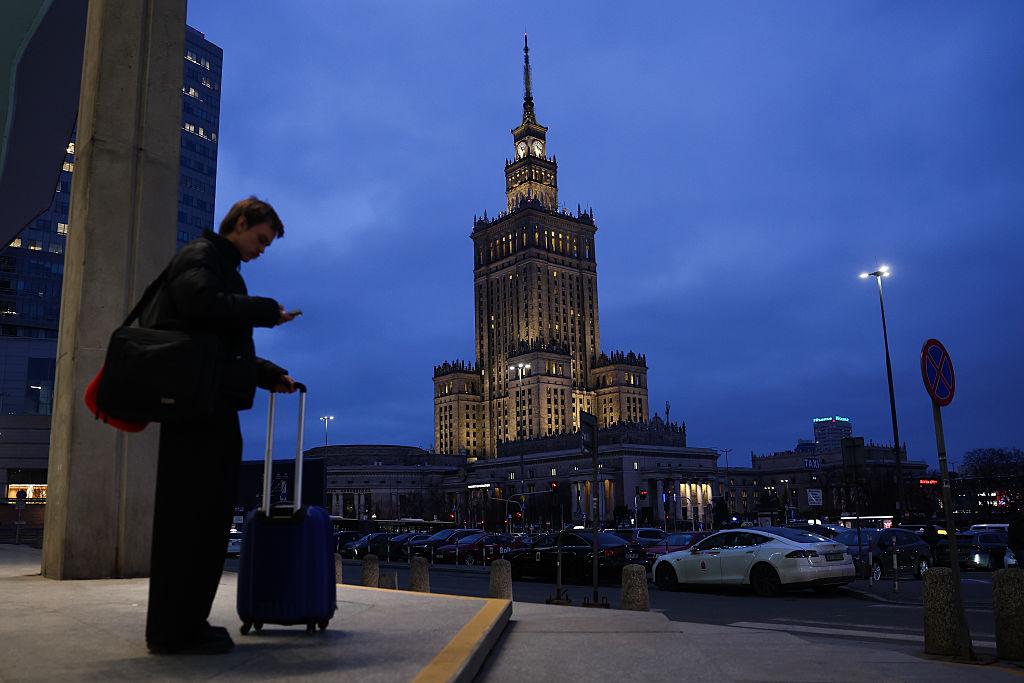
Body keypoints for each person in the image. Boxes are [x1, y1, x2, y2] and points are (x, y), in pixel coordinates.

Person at [142, 197, 299, 655]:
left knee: (204, 524)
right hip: (197, 413)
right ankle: (175, 630)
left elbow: (221, 347)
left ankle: (186, 622)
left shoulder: (222, 268)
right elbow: (200, 306)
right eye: (261, 239)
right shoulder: (202, 257)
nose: (262, 249)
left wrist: (269, 374)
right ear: (242, 223)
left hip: (210, 407)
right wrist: (265, 311)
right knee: (189, 523)